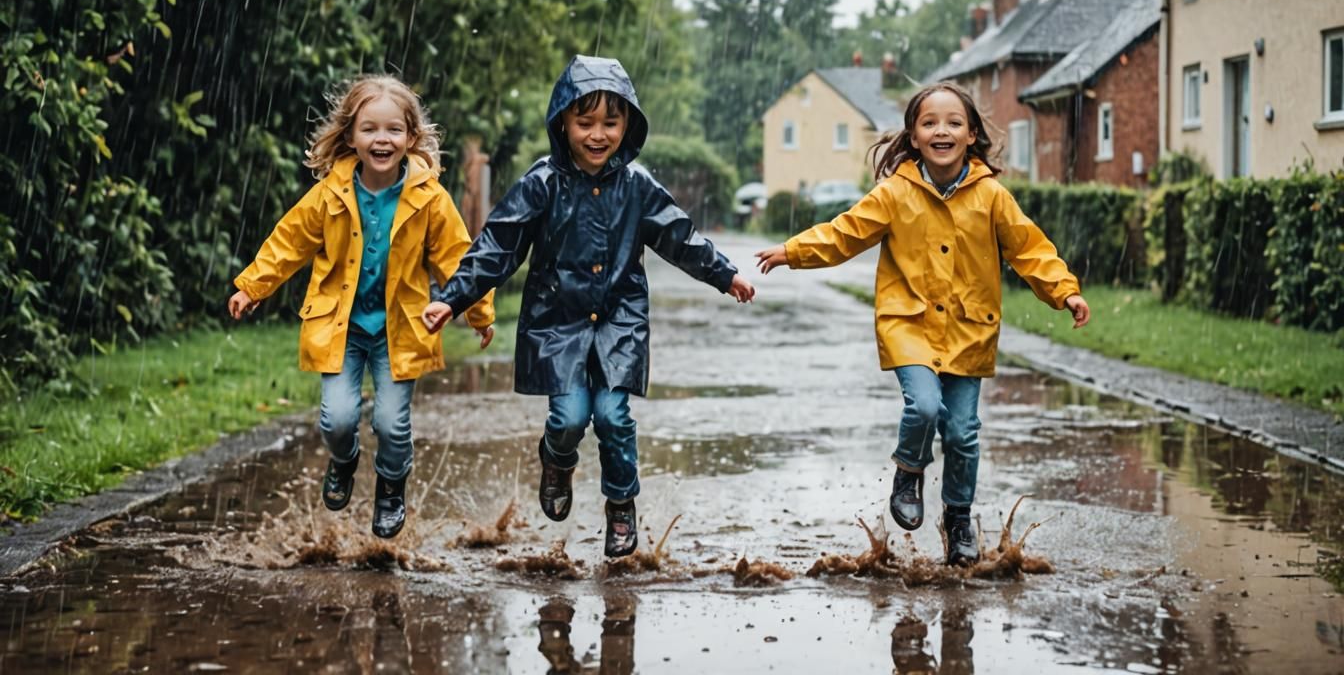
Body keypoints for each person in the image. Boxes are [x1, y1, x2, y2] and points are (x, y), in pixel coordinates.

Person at [422, 55, 755, 558]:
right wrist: (452, 298)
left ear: (628, 125)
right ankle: (557, 461)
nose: (598, 135)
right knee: (570, 417)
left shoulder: (638, 186)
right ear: (563, 122)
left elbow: (679, 237)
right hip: (557, 322)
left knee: (614, 415)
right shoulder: (541, 183)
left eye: (611, 122)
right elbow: (496, 247)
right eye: (585, 122)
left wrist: (724, 273)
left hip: (619, 320)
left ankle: (621, 507)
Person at [755, 82, 1090, 566]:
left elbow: (1029, 249)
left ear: (971, 134)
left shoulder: (991, 196)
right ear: (913, 136)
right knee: (925, 407)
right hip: (908, 325)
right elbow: (845, 233)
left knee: (963, 434)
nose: (942, 131)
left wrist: (1066, 291)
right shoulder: (895, 194)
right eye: (929, 122)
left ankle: (958, 519)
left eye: (954, 123)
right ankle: (909, 471)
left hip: (969, 331)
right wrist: (793, 251)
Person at [228, 75, 495, 539]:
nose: (382, 139)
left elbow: (458, 257)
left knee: (392, 424)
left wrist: (477, 311)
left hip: (398, 329)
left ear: (411, 137)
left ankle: (392, 486)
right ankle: (345, 458)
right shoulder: (330, 194)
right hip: (342, 326)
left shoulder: (429, 198)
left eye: (393, 130)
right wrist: (253, 285)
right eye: (369, 129)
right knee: (337, 420)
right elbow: (289, 242)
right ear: (351, 135)